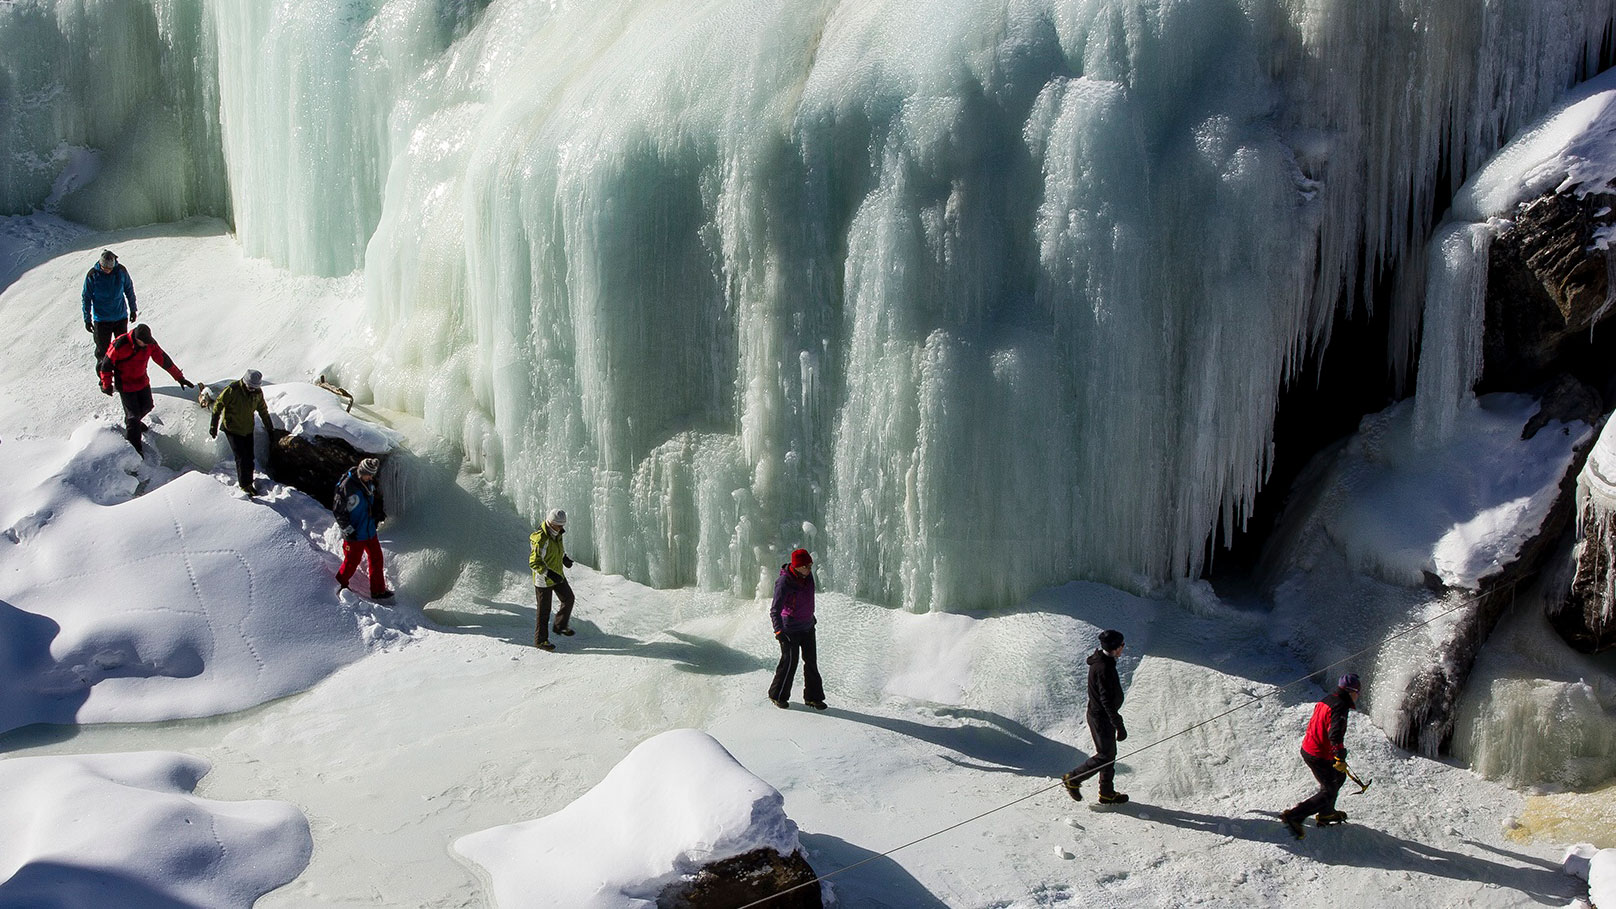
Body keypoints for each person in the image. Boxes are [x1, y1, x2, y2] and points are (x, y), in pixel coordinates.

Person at [1279, 673, 1361, 839]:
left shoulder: (1328, 699)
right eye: (1358, 692)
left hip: (1311, 748)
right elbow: (1335, 734)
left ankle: (1327, 813)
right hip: (1318, 754)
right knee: (1329, 790)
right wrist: (1339, 755)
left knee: (1338, 777)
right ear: (1353, 692)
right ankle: (1294, 816)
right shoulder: (1340, 707)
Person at [97, 323, 192, 455]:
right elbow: (106, 365)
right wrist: (106, 385)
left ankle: (132, 424)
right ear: (137, 339)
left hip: (142, 381)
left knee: (147, 406)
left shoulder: (149, 343)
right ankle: (135, 448)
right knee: (133, 416)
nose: (147, 345)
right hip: (125, 384)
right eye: (144, 342)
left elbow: (163, 359)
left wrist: (179, 377)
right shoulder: (120, 344)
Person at [1061, 629, 1129, 804]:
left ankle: (1106, 793)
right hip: (1101, 718)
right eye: (1122, 645)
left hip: (1100, 716)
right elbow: (1106, 701)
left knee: (1109, 754)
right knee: (1105, 755)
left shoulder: (1103, 661)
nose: (1123, 648)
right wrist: (1119, 725)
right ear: (1115, 648)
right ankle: (1073, 779)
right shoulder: (1104, 668)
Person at [768, 548, 825, 710]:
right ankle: (777, 695)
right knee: (789, 663)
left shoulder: (807, 576)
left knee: (811, 663)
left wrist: (811, 618)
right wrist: (779, 631)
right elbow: (774, 610)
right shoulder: (784, 582)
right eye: (806, 566)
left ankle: (813, 698)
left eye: (810, 566)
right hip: (789, 629)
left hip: (807, 626)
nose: (809, 569)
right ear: (797, 566)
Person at [333, 457, 392, 599]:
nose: (371, 477)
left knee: (377, 559)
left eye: (372, 475)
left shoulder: (367, 483)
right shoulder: (347, 486)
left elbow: (369, 504)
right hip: (355, 533)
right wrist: (348, 530)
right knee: (351, 562)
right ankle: (339, 586)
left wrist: (376, 514)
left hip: (369, 530)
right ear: (362, 471)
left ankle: (378, 591)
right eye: (369, 474)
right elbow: (338, 511)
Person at [209, 369, 273, 495]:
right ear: (245, 382)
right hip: (232, 429)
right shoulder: (232, 390)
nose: (252, 389)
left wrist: (270, 429)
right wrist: (213, 425)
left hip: (247, 429)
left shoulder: (258, 393)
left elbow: (263, 411)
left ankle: (249, 480)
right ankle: (245, 485)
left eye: (254, 387)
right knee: (241, 458)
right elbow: (218, 406)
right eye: (250, 386)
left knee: (250, 457)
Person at [82, 250, 137, 374]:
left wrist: (133, 309)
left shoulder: (121, 271)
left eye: (109, 267)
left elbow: (129, 290)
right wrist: (87, 319)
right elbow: (86, 297)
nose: (107, 270)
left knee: (122, 350)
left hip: (120, 318)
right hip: (102, 320)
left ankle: (121, 378)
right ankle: (104, 379)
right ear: (100, 264)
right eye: (104, 267)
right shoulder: (93, 275)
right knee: (102, 352)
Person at [529, 509, 575, 651]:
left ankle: (560, 625)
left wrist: (564, 558)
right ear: (551, 523)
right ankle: (540, 641)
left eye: (562, 526)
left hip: (557, 574)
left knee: (568, 598)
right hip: (543, 580)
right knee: (544, 611)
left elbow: (557, 549)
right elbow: (534, 562)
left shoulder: (557, 533)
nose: (562, 528)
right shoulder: (541, 539)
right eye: (559, 526)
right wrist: (548, 573)